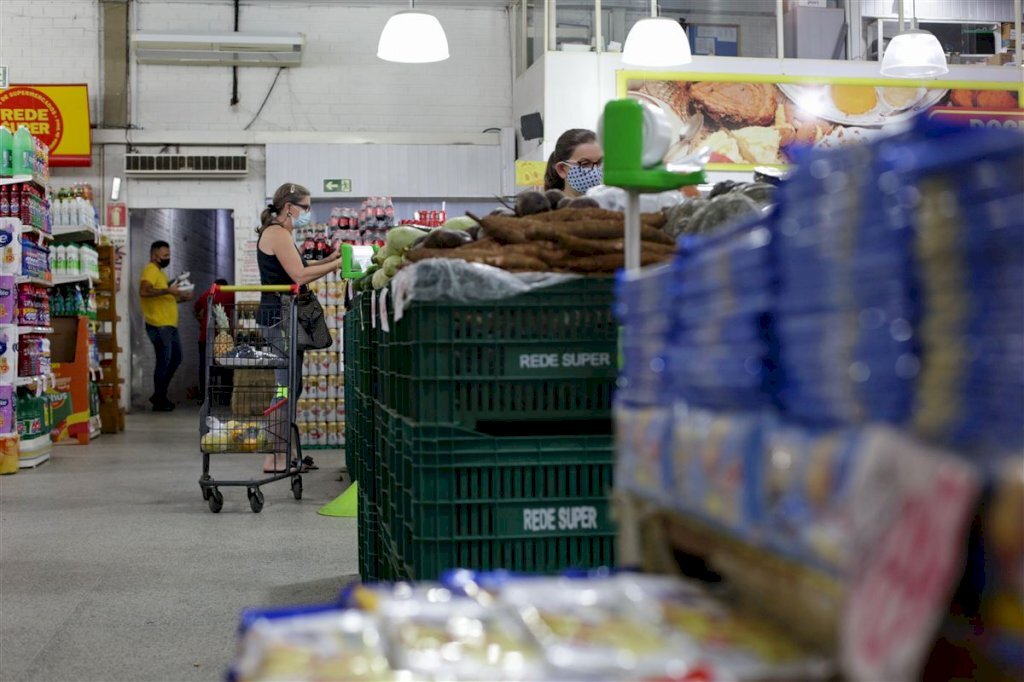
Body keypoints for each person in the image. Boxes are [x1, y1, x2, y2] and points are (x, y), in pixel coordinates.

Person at [257, 183, 342, 472]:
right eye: (305, 207)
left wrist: (329, 259)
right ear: (289, 207)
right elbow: (299, 275)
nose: (308, 212)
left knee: (292, 386)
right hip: (279, 318)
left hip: (286, 317)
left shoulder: (283, 234)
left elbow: (300, 267)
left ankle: (286, 453)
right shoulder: (277, 233)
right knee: (284, 387)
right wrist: (336, 265)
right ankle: (274, 457)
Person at [139, 240, 194, 411]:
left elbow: (163, 297)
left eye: (169, 255)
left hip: (169, 325)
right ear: (154, 256)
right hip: (158, 324)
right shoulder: (151, 270)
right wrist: (169, 291)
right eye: (165, 255)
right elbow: (144, 291)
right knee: (164, 361)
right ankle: (159, 398)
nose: (168, 258)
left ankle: (159, 394)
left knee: (175, 358)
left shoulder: (161, 274)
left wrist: (181, 297)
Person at [193, 278, 234, 401]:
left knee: (205, 367)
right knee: (226, 367)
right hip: (224, 339)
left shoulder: (206, 295)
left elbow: (195, 310)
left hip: (206, 338)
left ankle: (204, 396)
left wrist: (201, 322)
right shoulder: (232, 294)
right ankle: (226, 397)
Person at [544, 128, 604, 197]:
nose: (595, 172)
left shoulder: (612, 205)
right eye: (585, 163)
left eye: (600, 162)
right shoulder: (549, 207)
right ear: (562, 169)